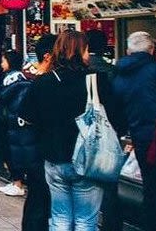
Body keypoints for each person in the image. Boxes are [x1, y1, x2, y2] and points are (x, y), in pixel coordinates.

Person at [20, 30, 119, 231]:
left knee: (59, 218)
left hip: (54, 158)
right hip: (88, 158)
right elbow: (116, 117)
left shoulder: (43, 82)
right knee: (85, 219)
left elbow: (27, 117)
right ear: (80, 50)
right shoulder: (96, 81)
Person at [113, 31, 156, 231]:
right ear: (152, 50)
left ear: (129, 51)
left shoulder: (119, 76)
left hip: (140, 138)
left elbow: (118, 110)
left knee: (150, 188)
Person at [86, 29, 122, 231]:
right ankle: (111, 224)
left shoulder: (80, 70)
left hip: (84, 134)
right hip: (109, 133)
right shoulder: (111, 71)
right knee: (109, 182)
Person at [21, 34, 55, 231]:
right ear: (49, 56)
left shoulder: (35, 80)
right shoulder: (40, 82)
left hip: (35, 151)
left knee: (37, 199)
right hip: (40, 151)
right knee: (41, 200)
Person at [0, 50, 37, 198]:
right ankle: (16, 182)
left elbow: (3, 97)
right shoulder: (22, 77)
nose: (1, 64)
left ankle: (18, 183)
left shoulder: (13, 79)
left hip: (14, 121)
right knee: (17, 152)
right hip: (15, 121)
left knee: (16, 152)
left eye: (3, 60)